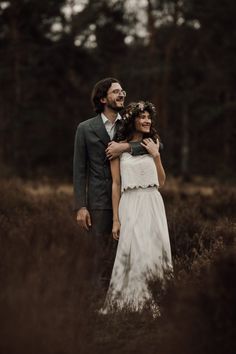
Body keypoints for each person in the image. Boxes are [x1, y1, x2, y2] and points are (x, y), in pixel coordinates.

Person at [73, 78, 148, 288]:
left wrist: (124, 148)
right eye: (116, 91)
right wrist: (80, 206)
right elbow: (79, 170)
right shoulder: (85, 129)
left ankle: (123, 305)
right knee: (99, 255)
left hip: (130, 199)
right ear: (103, 98)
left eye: (122, 90)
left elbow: (157, 146)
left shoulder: (130, 124)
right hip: (98, 202)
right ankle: (97, 305)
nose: (122, 94)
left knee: (126, 254)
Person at [100, 101, 173, 314]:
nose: (147, 120)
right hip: (130, 203)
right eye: (142, 117)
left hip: (152, 201)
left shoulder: (153, 143)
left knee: (154, 250)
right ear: (132, 120)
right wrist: (116, 219)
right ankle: (132, 302)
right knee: (134, 250)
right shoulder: (117, 148)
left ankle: (155, 300)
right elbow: (116, 184)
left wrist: (156, 156)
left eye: (149, 117)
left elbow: (161, 182)